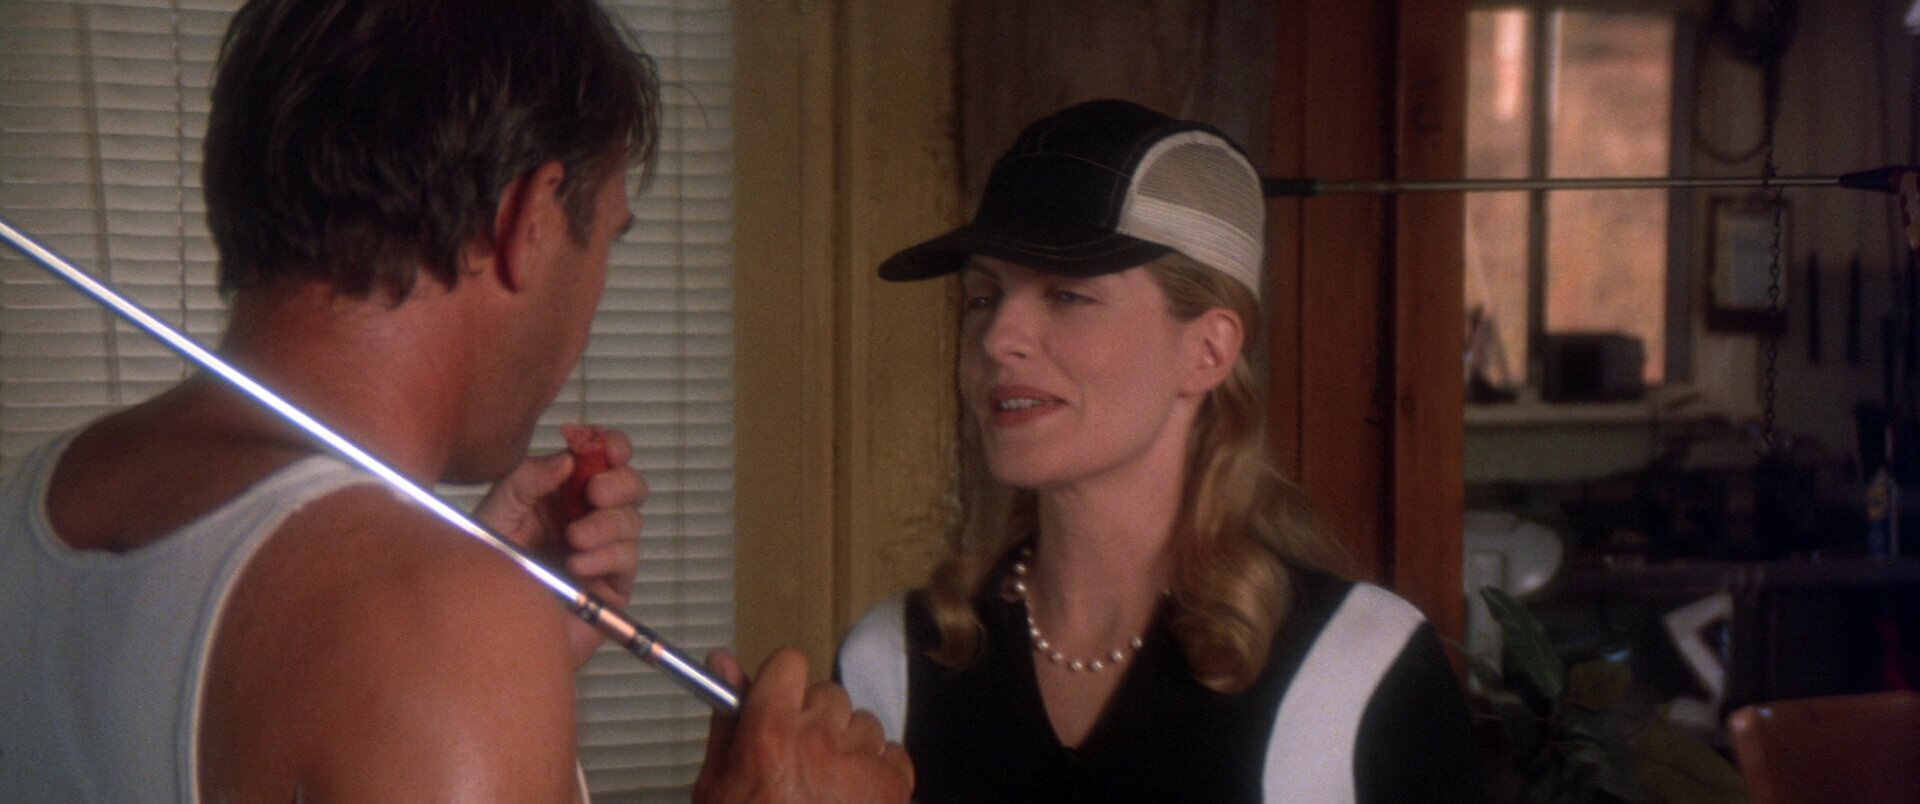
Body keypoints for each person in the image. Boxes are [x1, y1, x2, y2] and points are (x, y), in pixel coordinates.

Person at [0, 0, 910, 801]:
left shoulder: (42, 493)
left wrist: (495, 649)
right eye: (608, 239)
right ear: (531, 218)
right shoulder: (438, 621)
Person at [836, 99, 1481, 801]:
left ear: (1208, 350)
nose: (999, 340)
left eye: (1068, 295)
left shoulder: (1358, 667)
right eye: (985, 297)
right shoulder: (891, 664)